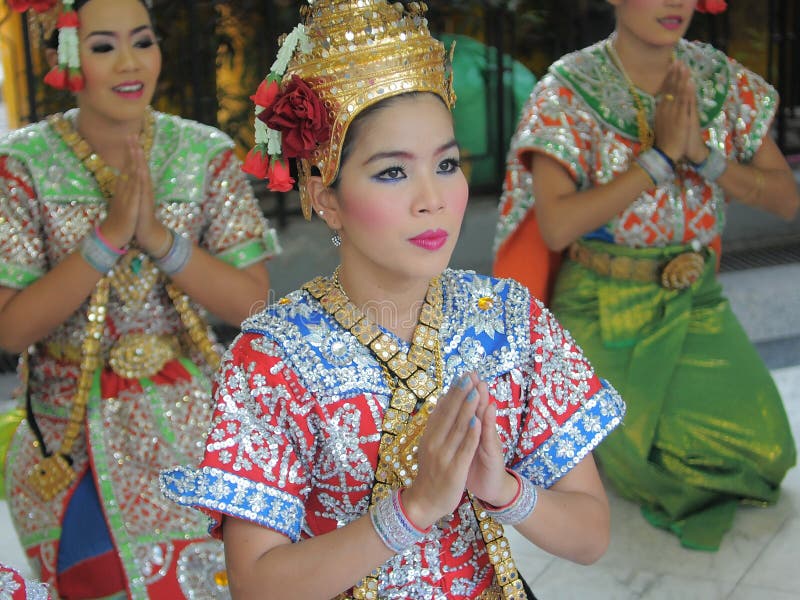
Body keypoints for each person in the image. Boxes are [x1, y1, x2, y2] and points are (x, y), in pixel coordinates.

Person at [161, 1, 626, 598]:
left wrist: (504, 488)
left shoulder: (512, 319)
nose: (432, 199)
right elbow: (258, 585)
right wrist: (411, 509)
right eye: (391, 173)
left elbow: (590, 536)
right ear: (324, 196)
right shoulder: (272, 359)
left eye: (448, 164)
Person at [493, 0, 798, 551]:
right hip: (601, 305)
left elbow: (786, 199)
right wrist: (656, 160)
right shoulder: (567, 89)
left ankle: (600, 437)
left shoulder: (718, 81)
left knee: (767, 451)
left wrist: (705, 155)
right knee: (664, 467)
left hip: (694, 297)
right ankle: (595, 432)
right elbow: (558, 227)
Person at [0, 0, 279, 596]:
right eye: (103, 46)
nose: (130, 63)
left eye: (143, 41)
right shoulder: (22, 163)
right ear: (64, 56)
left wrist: (157, 238)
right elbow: (8, 332)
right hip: (66, 432)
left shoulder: (204, 153)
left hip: (191, 420)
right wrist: (105, 240)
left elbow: (252, 305)